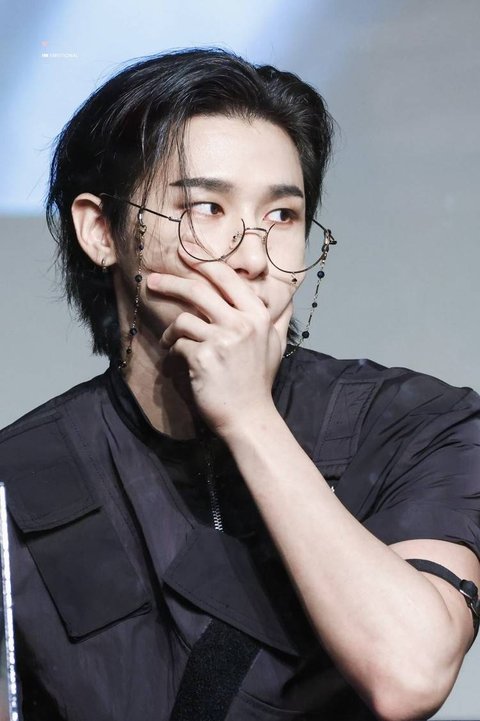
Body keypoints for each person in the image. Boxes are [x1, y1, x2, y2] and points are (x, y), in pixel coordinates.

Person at [0, 47, 479, 721]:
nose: (254, 256)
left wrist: (250, 415)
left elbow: (410, 674)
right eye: (207, 208)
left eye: (283, 216)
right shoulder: (20, 477)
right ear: (101, 230)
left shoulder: (418, 425)